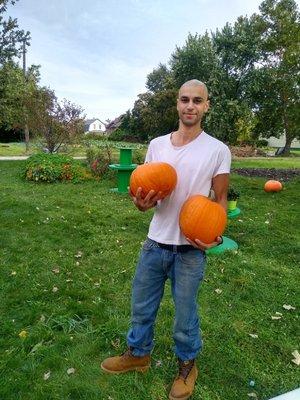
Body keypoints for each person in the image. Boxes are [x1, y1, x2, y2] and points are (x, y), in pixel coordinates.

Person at [101, 79, 231, 400]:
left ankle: (187, 364)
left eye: (197, 101)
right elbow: (148, 190)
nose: (190, 106)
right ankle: (138, 354)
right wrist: (141, 203)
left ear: (206, 106)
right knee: (141, 305)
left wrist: (216, 231)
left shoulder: (217, 150)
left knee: (185, 314)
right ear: (177, 104)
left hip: (191, 248)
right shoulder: (157, 145)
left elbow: (222, 196)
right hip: (155, 242)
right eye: (185, 100)